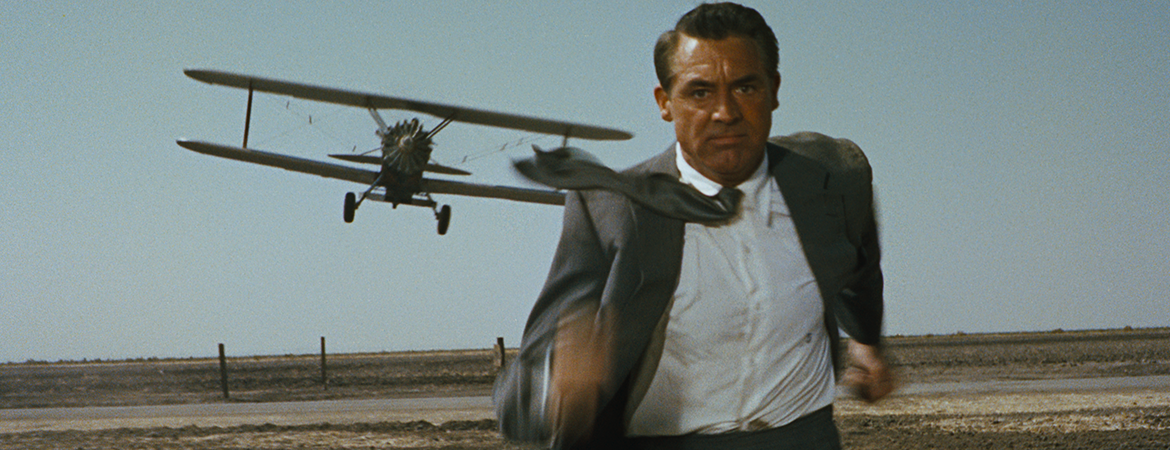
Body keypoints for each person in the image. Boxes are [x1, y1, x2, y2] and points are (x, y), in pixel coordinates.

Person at [496, 3, 892, 449]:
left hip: (805, 435)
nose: (725, 112)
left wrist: (866, 342)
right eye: (700, 92)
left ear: (774, 90)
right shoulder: (611, 209)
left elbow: (859, 263)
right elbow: (518, 398)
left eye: (745, 87)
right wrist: (557, 392)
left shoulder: (834, 176)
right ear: (665, 103)